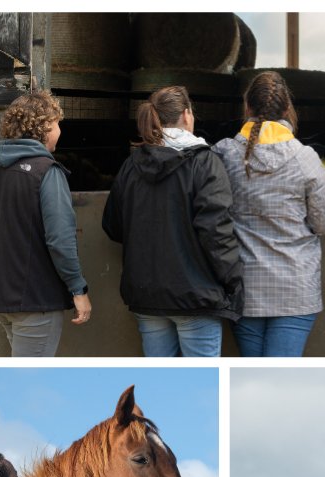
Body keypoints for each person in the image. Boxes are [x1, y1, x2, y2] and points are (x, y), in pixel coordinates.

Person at [103, 85, 243, 356]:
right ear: (187, 115)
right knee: (200, 385)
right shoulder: (205, 162)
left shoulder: (131, 165)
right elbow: (216, 232)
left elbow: (112, 225)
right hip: (196, 297)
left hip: (147, 297)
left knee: (160, 381)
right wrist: (232, 280)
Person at [211, 70, 325, 356]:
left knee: (253, 376)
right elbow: (324, 224)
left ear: (247, 107)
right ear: (287, 108)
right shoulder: (305, 157)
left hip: (245, 287)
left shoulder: (225, 154)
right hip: (295, 287)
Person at [0, 90, 90, 356]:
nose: (59, 130)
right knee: (31, 374)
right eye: (57, 124)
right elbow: (60, 239)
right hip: (35, 300)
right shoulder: (46, 171)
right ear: (44, 127)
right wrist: (78, 289)